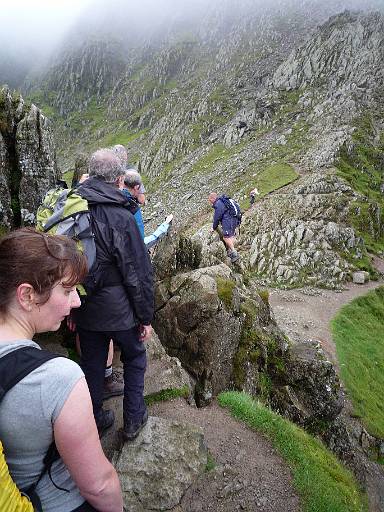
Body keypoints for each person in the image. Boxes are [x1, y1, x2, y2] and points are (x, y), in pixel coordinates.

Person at [0, 228, 123, 512]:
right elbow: (100, 485)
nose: (77, 301)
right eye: (67, 291)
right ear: (27, 295)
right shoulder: (58, 379)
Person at [73, 148, 154, 442]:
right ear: (119, 179)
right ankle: (133, 418)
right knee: (134, 357)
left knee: (92, 365)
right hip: (120, 310)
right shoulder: (121, 216)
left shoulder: (73, 208)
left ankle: (94, 419)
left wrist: (72, 310)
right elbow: (138, 273)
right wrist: (145, 317)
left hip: (84, 305)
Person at [208, 192, 240, 263]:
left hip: (228, 221)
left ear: (213, 198)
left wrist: (213, 228)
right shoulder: (222, 201)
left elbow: (217, 217)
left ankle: (235, 254)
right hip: (234, 219)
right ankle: (230, 251)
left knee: (226, 237)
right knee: (230, 236)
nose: (209, 202)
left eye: (210, 200)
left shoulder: (218, 204)